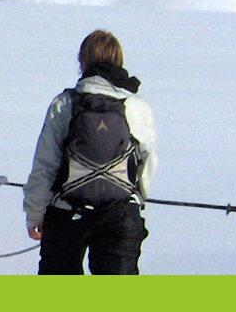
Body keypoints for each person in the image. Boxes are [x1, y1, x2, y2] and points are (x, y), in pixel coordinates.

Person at [21, 29, 158, 275]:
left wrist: (35, 213)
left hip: (66, 213)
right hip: (121, 213)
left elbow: (45, 165)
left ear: (82, 61)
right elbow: (147, 163)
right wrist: (138, 199)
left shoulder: (65, 104)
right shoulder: (136, 107)